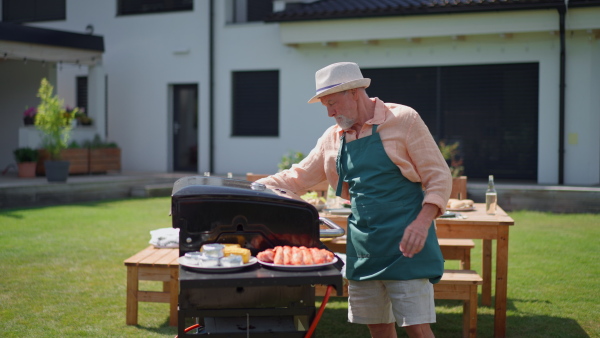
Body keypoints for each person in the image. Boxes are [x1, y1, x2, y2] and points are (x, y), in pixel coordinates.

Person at [257, 62, 451, 338]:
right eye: (325, 105)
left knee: (417, 328)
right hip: (364, 247)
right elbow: (296, 178)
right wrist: (249, 188)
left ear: (356, 92)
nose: (329, 112)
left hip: (407, 243)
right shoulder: (332, 138)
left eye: (333, 103)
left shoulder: (404, 119)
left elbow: (439, 176)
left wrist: (422, 223)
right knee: (379, 328)